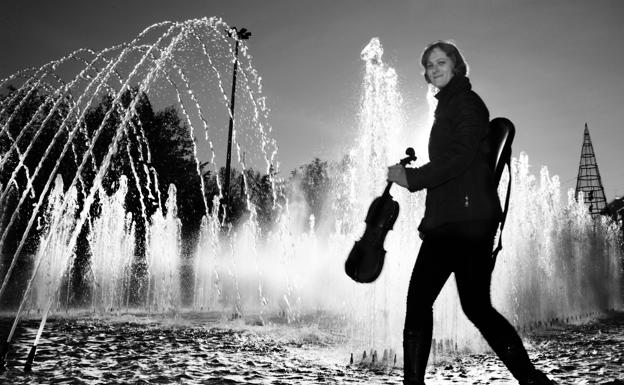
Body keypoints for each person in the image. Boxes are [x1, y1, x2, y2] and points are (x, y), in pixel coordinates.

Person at [387, 41, 555, 385]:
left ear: (456, 65)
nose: (435, 69)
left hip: (460, 223)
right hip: (467, 219)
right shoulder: (452, 105)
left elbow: (458, 159)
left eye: (441, 61)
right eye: (429, 65)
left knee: (419, 301)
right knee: (477, 308)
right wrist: (427, 207)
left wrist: (412, 177)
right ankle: (532, 381)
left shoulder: (465, 103)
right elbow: (460, 169)